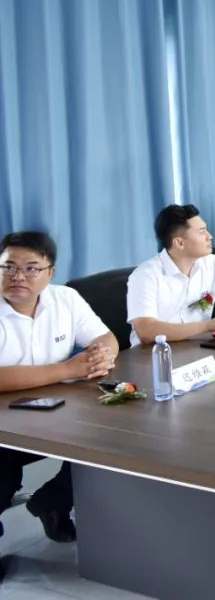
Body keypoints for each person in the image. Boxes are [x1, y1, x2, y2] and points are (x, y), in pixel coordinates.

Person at [0, 231, 119, 543]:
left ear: (50, 273)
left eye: (31, 268)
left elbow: (105, 337)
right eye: (8, 267)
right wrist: (67, 370)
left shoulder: (65, 298)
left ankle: (54, 501)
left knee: (112, 437)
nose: (17, 276)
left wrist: (103, 355)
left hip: (55, 410)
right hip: (4, 424)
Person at [128, 204, 215, 347]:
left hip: (198, 346)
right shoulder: (145, 275)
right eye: (202, 232)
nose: (210, 236)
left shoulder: (212, 263)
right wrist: (208, 326)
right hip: (154, 352)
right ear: (179, 242)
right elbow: (146, 331)